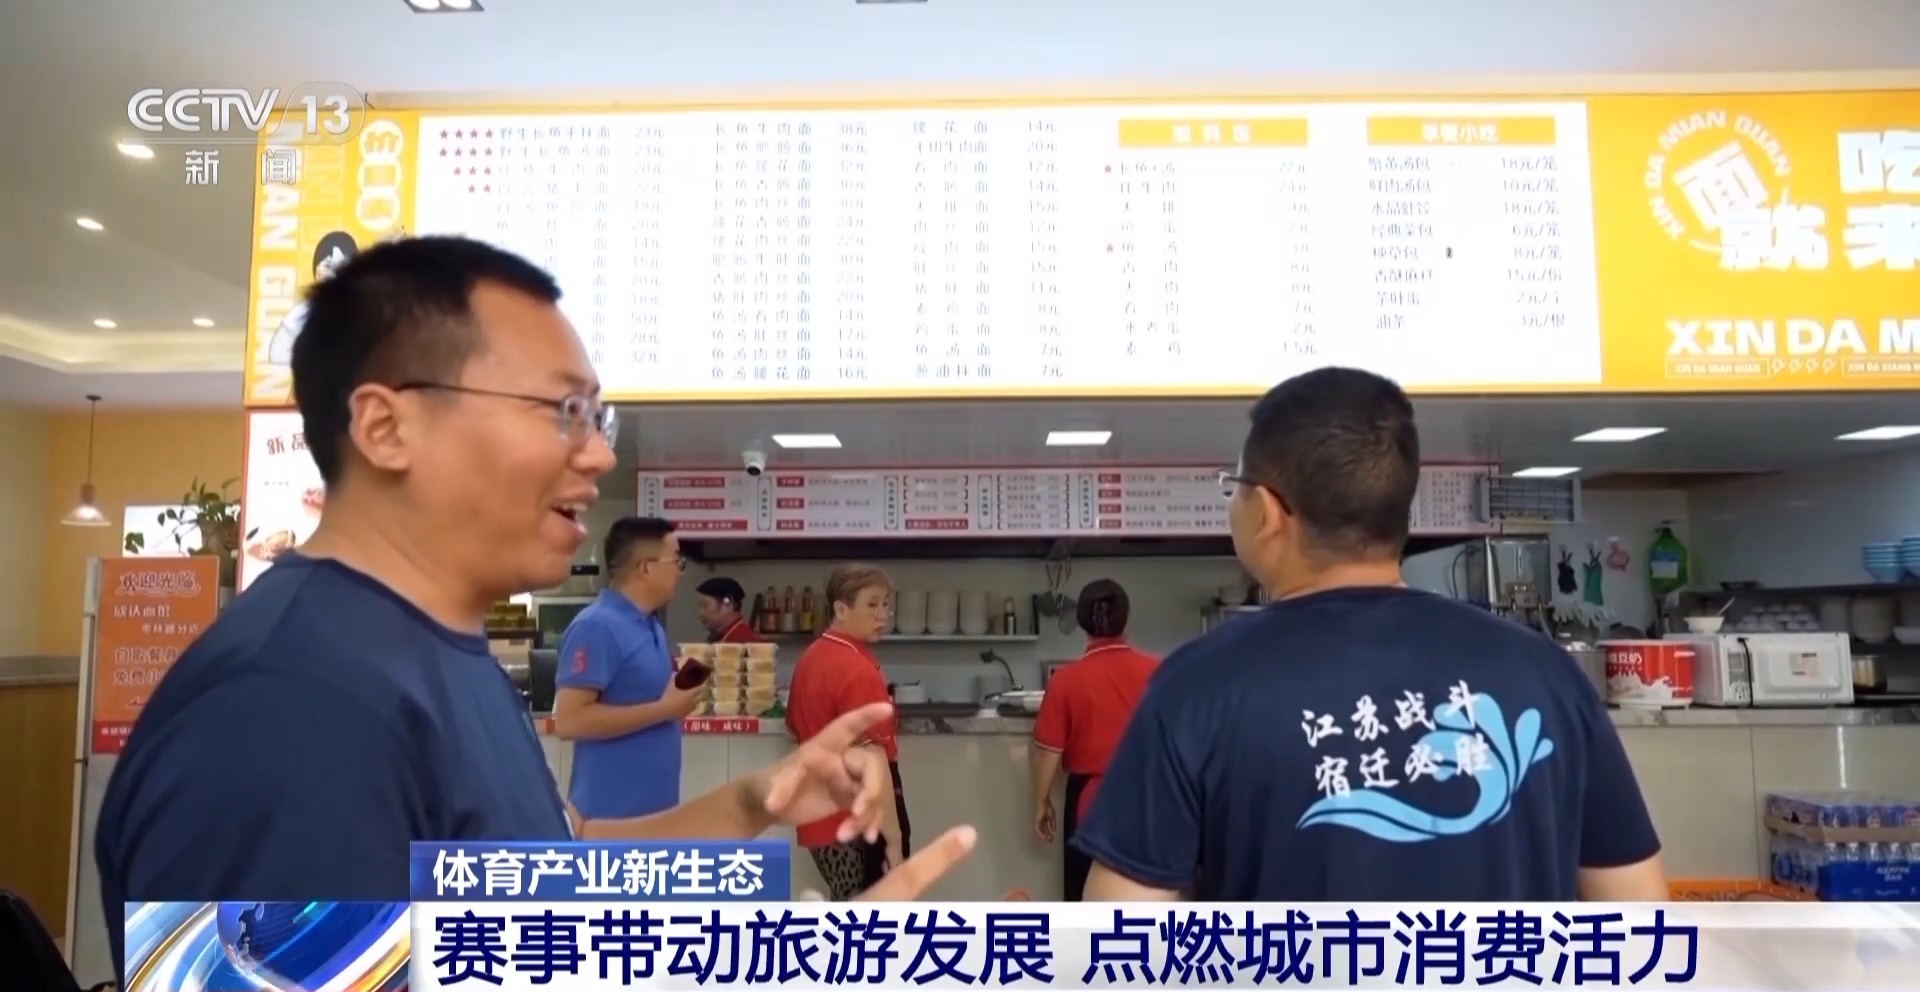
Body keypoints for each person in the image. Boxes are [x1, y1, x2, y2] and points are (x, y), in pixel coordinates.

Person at [94, 236, 973, 986]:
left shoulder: (446, 657)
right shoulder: (288, 706)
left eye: (598, 418)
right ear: (386, 428)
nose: (597, 455)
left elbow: (555, 867)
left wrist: (755, 803)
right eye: (561, 411)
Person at [1076, 367, 1666, 903]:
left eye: (1236, 486)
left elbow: (1123, 937)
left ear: (1269, 513)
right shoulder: (1546, 675)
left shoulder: (1196, 686)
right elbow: (1640, 919)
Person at [552, 516, 699, 819]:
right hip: (608, 818)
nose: (680, 571)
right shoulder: (597, 626)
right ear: (646, 567)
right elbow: (570, 721)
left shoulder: (651, 626)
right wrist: (665, 709)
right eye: (676, 561)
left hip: (655, 815)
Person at [786, 564, 911, 899]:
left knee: (846, 903)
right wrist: (894, 840)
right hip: (857, 818)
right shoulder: (856, 670)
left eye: (886, 604)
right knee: (872, 914)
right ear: (841, 609)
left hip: (817, 815)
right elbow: (874, 762)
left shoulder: (811, 658)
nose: (882, 614)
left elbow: (793, 727)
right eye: (872, 604)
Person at [1029, 579, 1158, 901]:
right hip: (1149, 797)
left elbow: (1048, 752)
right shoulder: (1159, 671)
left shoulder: (1066, 681)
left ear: (1082, 623)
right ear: (1127, 620)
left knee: (1084, 898)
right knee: (1147, 896)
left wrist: (1041, 802)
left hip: (1090, 802)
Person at [695, 576, 759, 643]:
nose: (701, 613)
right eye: (700, 607)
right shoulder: (719, 637)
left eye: (705, 605)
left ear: (727, 603)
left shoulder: (745, 641)